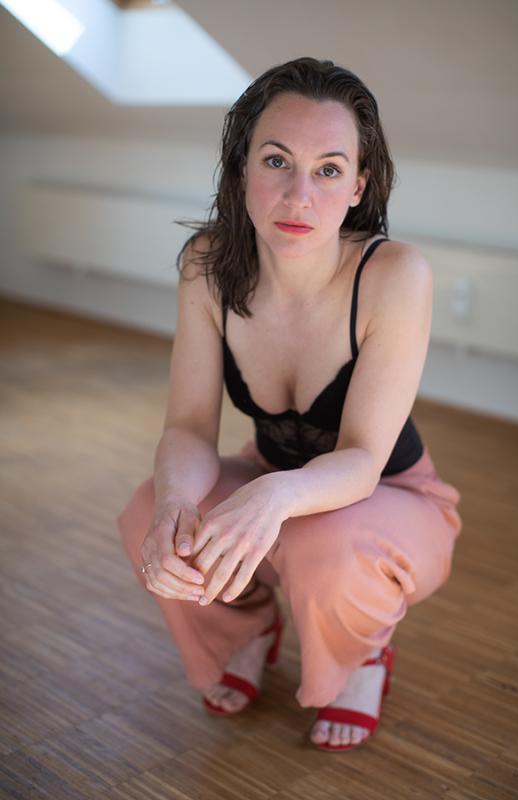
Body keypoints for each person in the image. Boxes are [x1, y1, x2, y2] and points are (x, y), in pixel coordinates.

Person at [116, 56, 463, 752]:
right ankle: (245, 628)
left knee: (319, 543)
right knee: (149, 509)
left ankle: (362, 655)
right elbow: (188, 425)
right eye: (276, 161)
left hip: (390, 495)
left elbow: (362, 458)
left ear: (358, 184)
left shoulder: (395, 274)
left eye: (328, 170)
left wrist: (274, 497)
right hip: (270, 471)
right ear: (241, 165)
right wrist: (176, 504)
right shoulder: (207, 265)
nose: (299, 195)